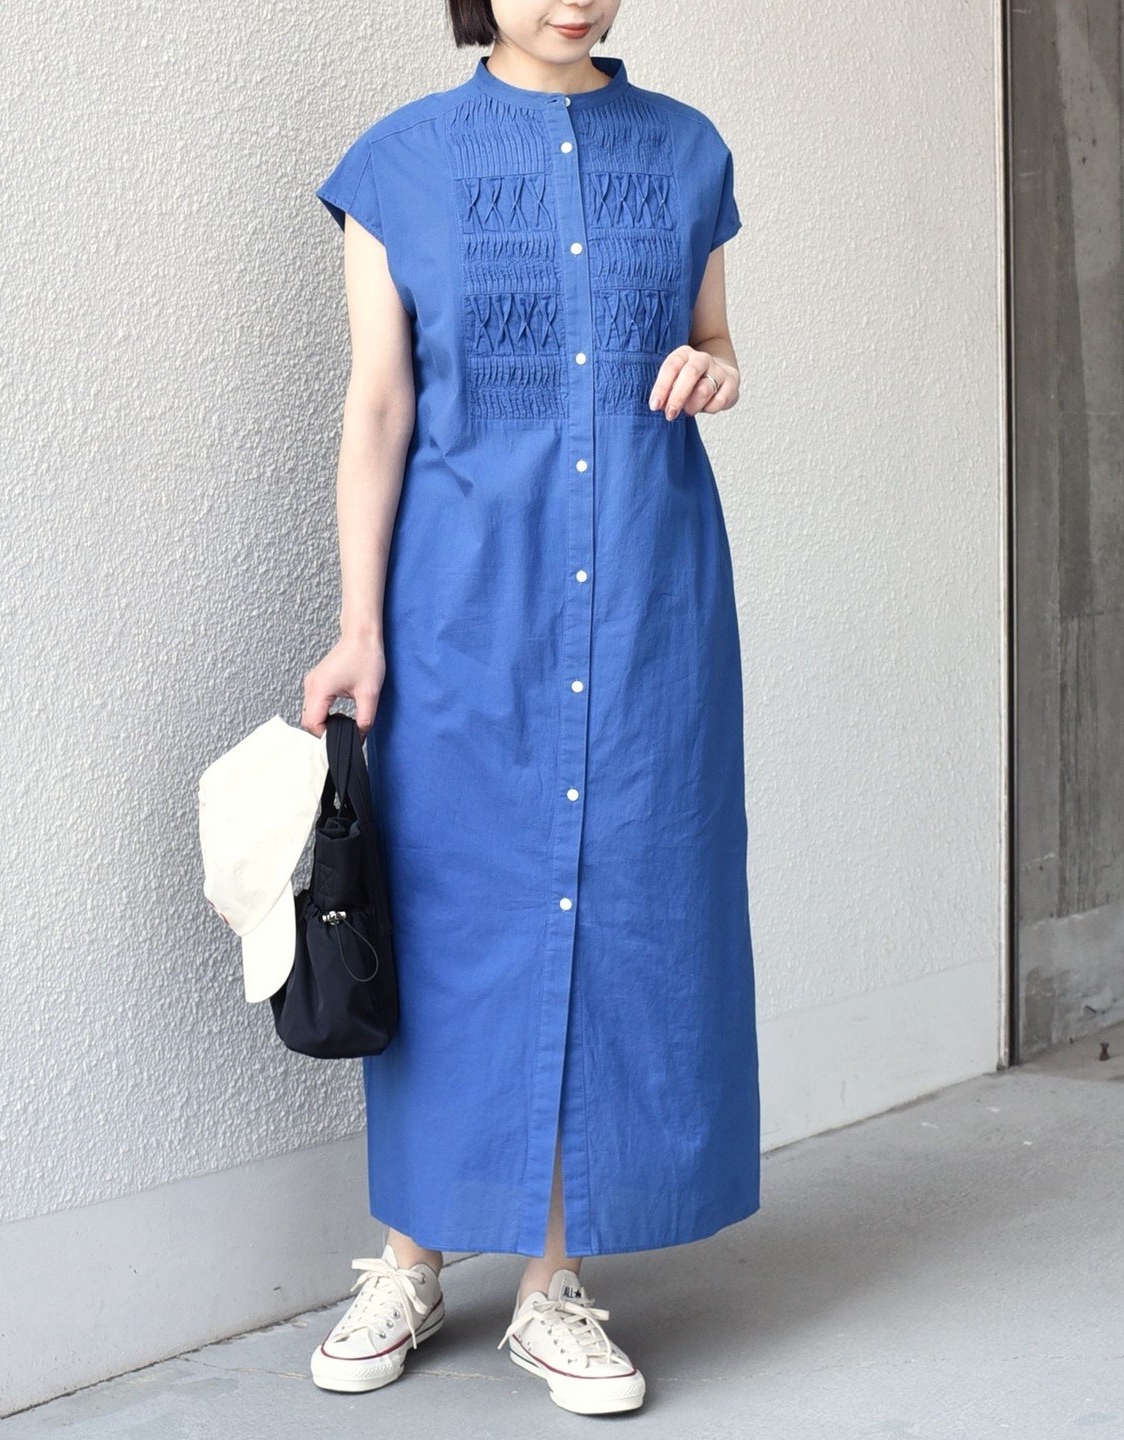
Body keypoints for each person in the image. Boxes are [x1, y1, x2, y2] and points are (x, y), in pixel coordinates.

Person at [299, 0, 759, 1417]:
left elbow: (712, 340)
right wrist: (358, 627)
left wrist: (717, 370)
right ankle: (410, 1261)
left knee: (613, 915)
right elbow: (380, 409)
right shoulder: (397, 164)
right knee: (450, 920)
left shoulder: (688, 151)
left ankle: (553, 1286)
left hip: (645, 609)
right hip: (462, 610)